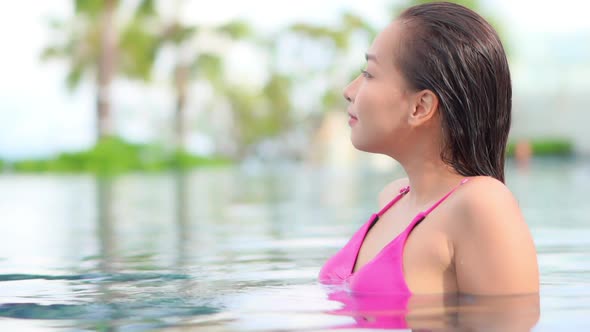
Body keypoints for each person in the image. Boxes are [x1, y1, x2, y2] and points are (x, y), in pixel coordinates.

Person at [319, 2, 539, 298]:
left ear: (420, 107)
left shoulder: (482, 204)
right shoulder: (393, 198)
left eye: (369, 74)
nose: (349, 90)